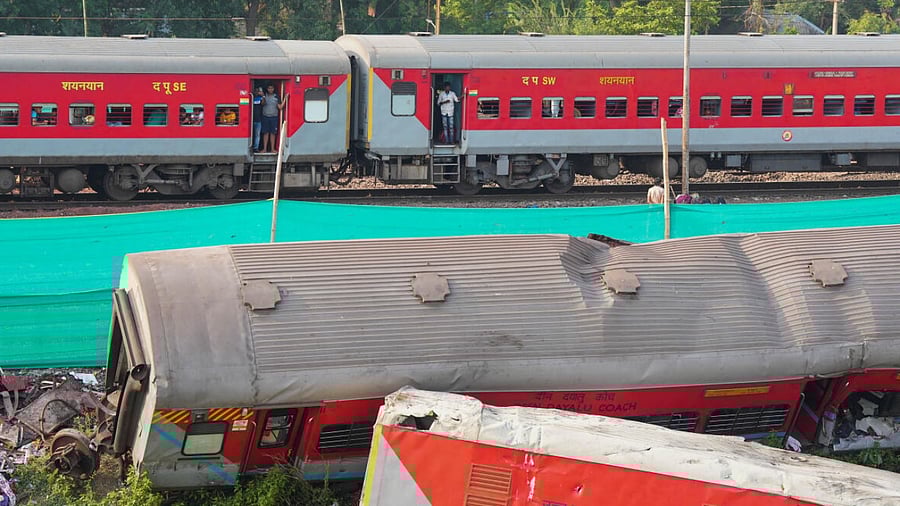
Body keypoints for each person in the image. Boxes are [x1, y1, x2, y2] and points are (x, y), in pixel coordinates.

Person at [261, 84, 287, 153]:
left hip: (274, 117)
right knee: (265, 133)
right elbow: (262, 104)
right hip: (265, 116)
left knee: (273, 133)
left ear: (273, 89)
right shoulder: (264, 95)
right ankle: (265, 149)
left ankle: (272, 149)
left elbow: (280, 107)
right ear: (267, 89)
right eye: (269, 88)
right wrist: (263, 96)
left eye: (272, 88)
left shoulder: (276, 96)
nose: (270, 89)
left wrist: (285, 99)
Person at [252, 86, 264, 152]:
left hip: (258, 120)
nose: (256, 92)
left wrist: (263, 96)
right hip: (250, 120)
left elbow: (263, 103)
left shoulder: (260, 98)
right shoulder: (250, 97)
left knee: (257, 135)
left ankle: (255, 148)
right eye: (255, 91)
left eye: (258, 91)